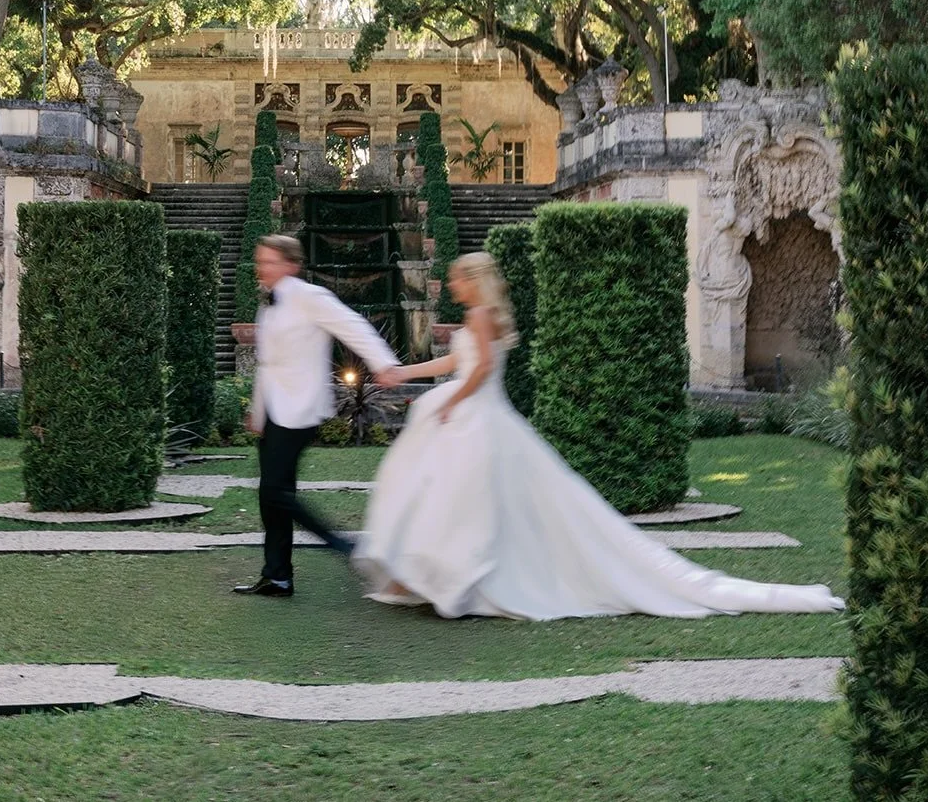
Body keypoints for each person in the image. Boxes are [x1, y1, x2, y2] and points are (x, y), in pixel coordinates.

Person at [355, 251, 845, 621]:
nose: (453, 283)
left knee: (463, 503)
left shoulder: (481, 316)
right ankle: (425, 576)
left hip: (478, 418)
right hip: (479, 418)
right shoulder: (480, 316)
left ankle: (452, 580)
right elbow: (454, 362)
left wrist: (452, 403)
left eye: (459, 276)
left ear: (471, 281)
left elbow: (479, 369)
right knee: (461, 501)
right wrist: (405, 373)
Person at [234, 235, 401, 598]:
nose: (261, 268)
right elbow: (268, 365)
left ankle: (343, 544)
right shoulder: (269, 305)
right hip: (275, 410)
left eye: (268, 261)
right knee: (271, 494)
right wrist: (257, 410)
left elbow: (352, 325)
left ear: (291, 264)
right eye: (259, 261)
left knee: (276, 492)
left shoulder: (309, 296)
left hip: (301, 409)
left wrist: (383, 363)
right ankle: (277, 576)